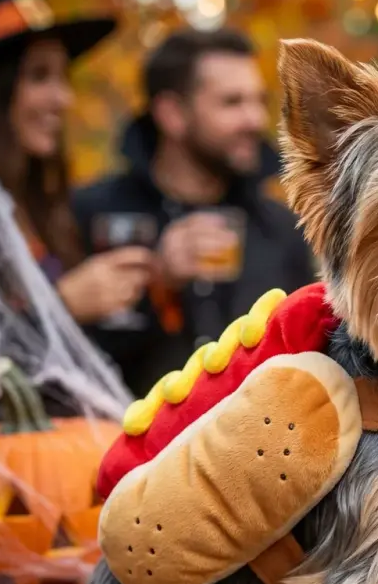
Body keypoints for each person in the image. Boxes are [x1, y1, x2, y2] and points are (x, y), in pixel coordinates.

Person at [73, 28, 316, 398]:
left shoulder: (283, 227)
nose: (254, 119)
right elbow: (60, 357)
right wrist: (158, 288)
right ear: (172, 114)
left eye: (258, 101)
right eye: (232, 103)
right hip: (119, 442)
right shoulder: (90, 212)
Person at [0, 0, 153, 332]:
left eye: (63, 77)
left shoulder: (41, 205)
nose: (63, 99)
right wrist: (63, 304)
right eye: (39, 76)